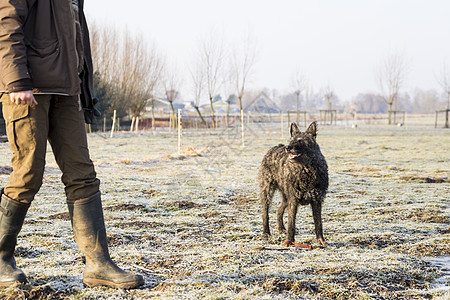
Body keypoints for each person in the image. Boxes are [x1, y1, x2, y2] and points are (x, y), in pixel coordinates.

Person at [0, 0, 144, 288]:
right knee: (27, 174)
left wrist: (84, 87)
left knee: (83, 174)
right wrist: (16, 81)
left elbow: (76, 38)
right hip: (28, 89)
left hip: (68, 90)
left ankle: (98, 264)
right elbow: (6, 22)